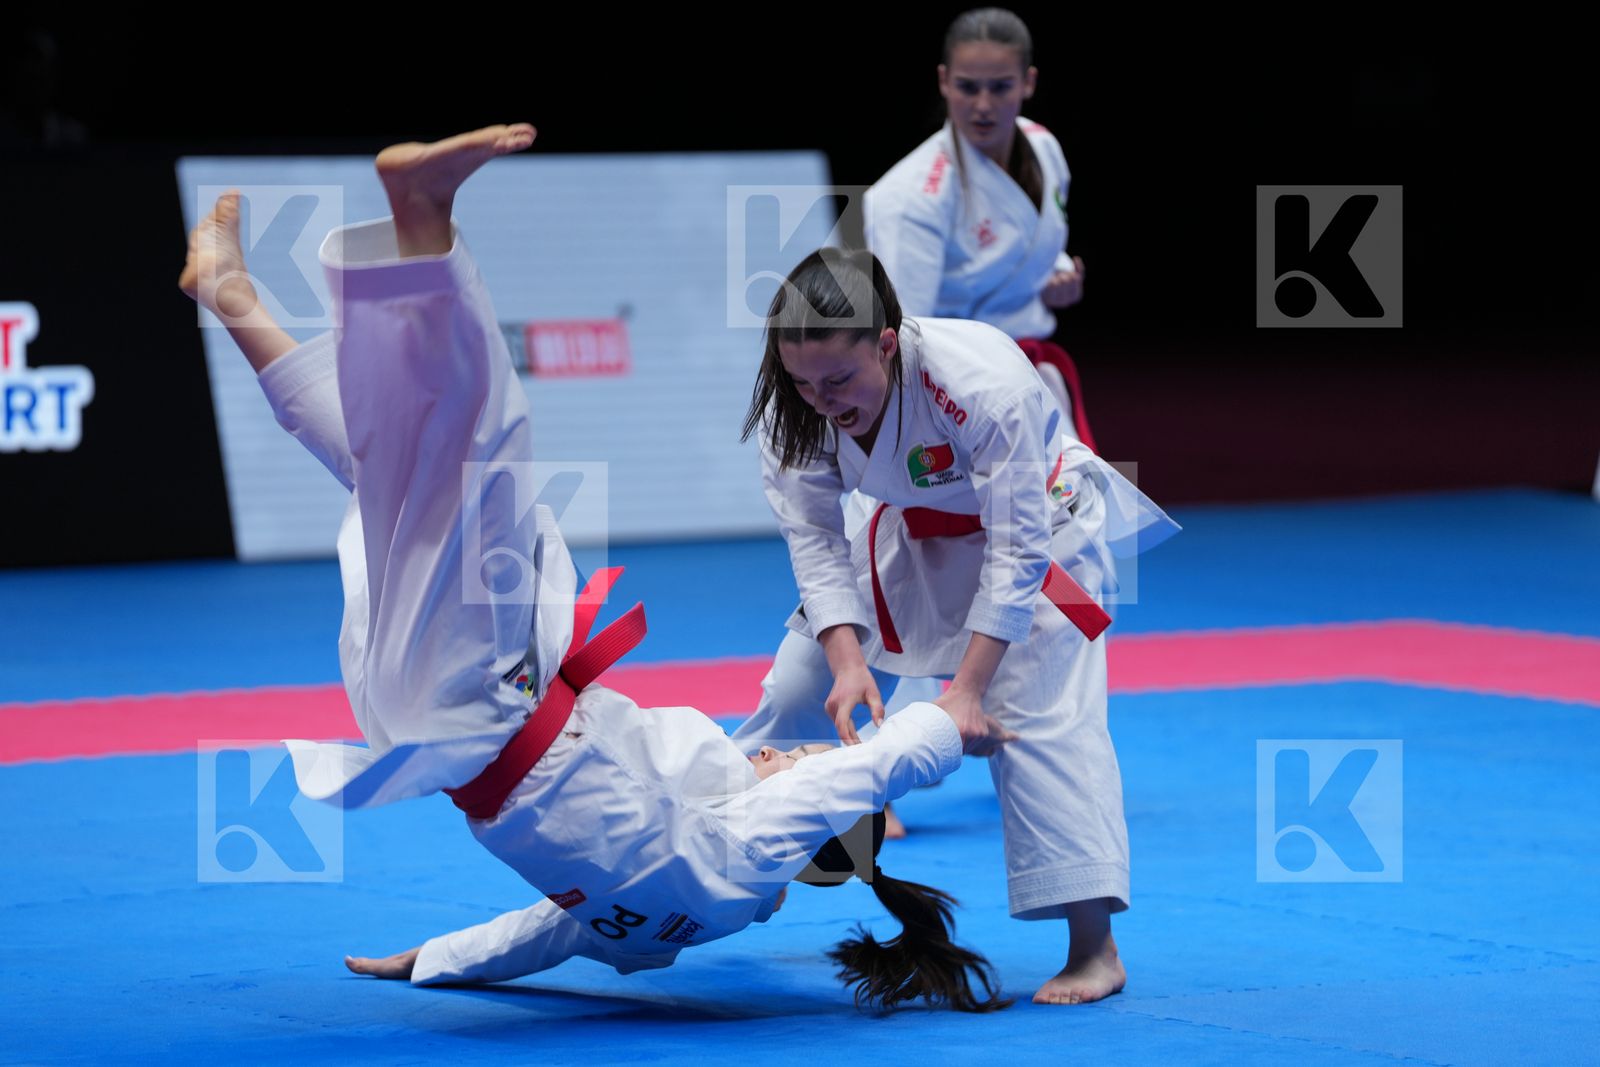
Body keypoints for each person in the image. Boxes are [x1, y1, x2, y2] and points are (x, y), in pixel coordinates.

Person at [177, 124, 1011, 1013]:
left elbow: (859, 773)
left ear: (805, 826)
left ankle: (423, 220)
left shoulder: (739, 861)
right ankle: (230, 295)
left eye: (791, 759)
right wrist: (432, 959)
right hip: (458, 716)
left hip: (480, 704)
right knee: (389, 469)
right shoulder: (686, 912)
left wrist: (948, 723)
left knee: (486, 449)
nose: (776, 747)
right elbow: (546, 930)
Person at [734, 247, 1178, 1004]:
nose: (821, 399)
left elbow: (1017, 548)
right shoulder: (795, 403)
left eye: (838, 380)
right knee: (799, 680)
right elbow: (814, 541)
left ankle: (1094, 948)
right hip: (911, 530)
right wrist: (846, 662)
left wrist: (966, 690)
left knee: (1038, 720)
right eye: (804, 381)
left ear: (885, 342)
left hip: (1045, 531)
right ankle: (739, 861)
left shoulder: (980, 380)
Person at [864, 7, 1094, 450]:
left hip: (1032, 372)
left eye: (1000, 87)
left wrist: (1055, 274)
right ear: (944, 81)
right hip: (956, 393)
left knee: (1075, 509)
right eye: (968, 88)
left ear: (1028, 82)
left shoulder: (1044, 148)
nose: (984, 105)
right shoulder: (910, 196)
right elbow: (902, 334)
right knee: (1001, 515)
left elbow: (1035, 243)